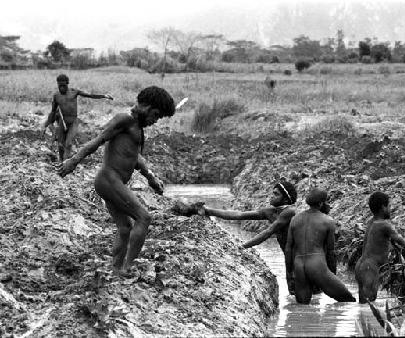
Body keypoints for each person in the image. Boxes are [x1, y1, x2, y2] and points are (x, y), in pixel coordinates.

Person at [56, 86, 175, 274]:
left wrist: (151, 178)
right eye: (156, 115)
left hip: (111, 182)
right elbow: (98, 140)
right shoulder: (125, 120)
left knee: (125, 227)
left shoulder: (137, 128)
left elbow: (135, 158)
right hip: (109, 179)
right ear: (146, 106)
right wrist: (73, 161)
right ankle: (129, 268)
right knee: (144, 218)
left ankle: (116, 270)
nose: (155, 121)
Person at [197, 181, 298, 294]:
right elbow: (239, 215)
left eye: (276, 194)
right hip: (288, 255)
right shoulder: (270, 212)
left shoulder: (289, 212)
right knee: (293, 290)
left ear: (285, 200)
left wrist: (243, 246)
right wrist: (208, 211)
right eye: (272, 193)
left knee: (303, 290)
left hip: (301, 256)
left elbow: (267, 233)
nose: (271, 196)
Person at [285, 188, 356, 304]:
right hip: (316, 265)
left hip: (298, 265)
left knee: (303, 307)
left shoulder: (294, 220)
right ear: (322, 203)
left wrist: (290, 271)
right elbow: (330, 251)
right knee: (348, 300)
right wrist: (332, 274)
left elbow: (288, 249)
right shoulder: (328, 221)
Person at [42, 74, 114, 161]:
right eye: (59, 86)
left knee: (68, 144)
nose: (61, 88)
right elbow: (53, 111)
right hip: (62, 122)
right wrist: (46, 124)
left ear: (67, 84)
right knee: (60, 145)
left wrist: (103, 96)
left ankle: (65, 164)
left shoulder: (74, 92)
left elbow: (89, 95)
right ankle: (61, 161)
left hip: (73, 122)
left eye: (63, 86)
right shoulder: (56, 96)